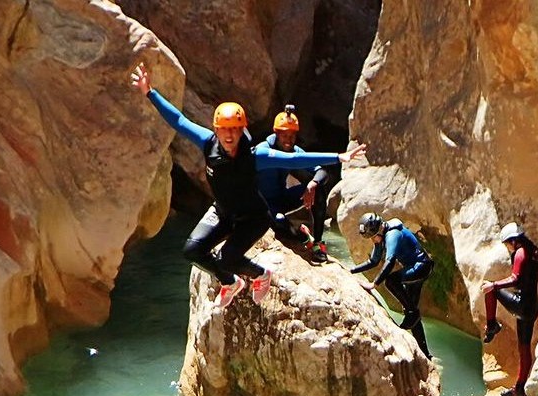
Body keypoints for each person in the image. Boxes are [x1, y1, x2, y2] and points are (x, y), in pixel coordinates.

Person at [131, 64, 365, 305]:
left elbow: (294, 159)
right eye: (224, 130)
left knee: (226, 258)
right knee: (192, 251)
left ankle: (260, 274)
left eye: (234, 130)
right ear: (216, 130)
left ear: (242, 130)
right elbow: (179, 121)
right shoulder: (207, 142)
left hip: (252, 218)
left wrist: (338, 157)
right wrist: (150, 93)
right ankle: (231, 282)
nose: (229, 136)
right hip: (222, 211)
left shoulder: (254, 156)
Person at [254, 105, 339, 260]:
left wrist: (313, 183)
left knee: (318, 189)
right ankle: (302, 236)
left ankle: (318, 243)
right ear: (276, 133)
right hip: (264, 204)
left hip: (282, 197)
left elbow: (322, 172)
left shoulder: (295, 150)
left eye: (292, 135)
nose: (289, 140)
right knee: (280, 224)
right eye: (285, 135)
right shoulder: (263, 150)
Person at [480, 222, 538, 396]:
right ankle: (519, 388)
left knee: (491, 290)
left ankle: (491, 325)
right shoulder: (533, 250)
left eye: (507, 244)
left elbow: (516, 278)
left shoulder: (520, 252)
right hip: (532, 306)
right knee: (524, 348)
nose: (508, 248)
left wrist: (494, 284)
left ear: (513, 241)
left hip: (521, 303)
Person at [350, 213, 435, 355]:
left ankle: (412, 314)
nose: (372, 240)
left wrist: (374, 284)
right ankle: (426, 353)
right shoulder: (382, 233)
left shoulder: (392, 234)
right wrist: (352, 270)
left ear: (377, 232)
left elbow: (390, 261)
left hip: (421, 266)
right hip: (415, 267)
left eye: (372, 237)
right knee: (411, 312)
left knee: (391, 281)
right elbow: (374, 261)